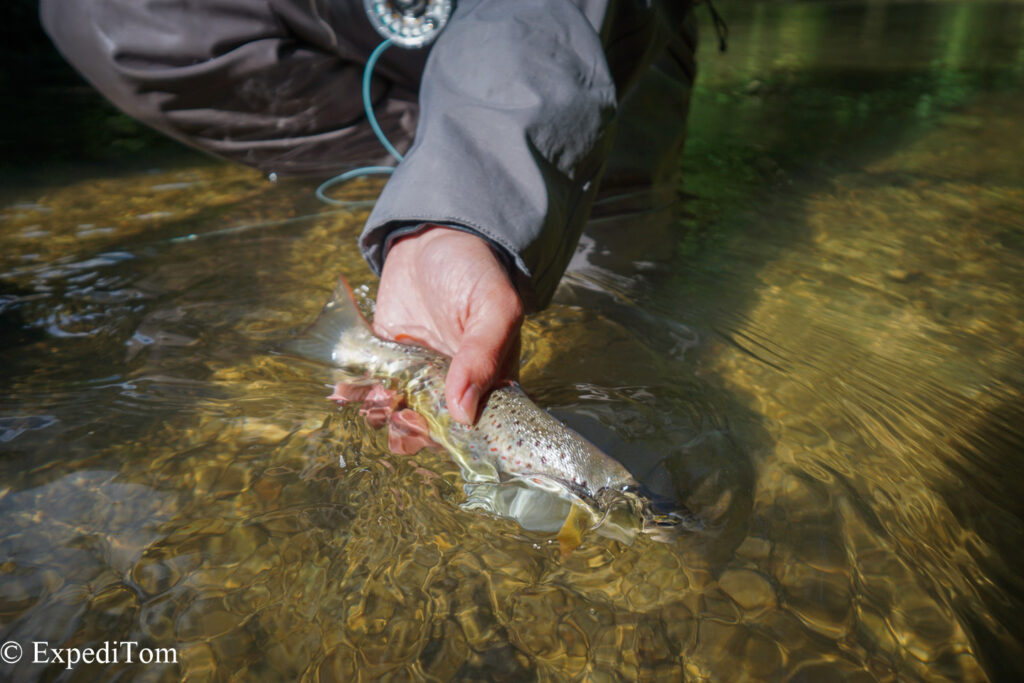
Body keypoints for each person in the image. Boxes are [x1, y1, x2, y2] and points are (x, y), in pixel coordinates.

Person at [41, 0, 698, 444]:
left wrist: (466, 211)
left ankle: (461, 162)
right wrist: (433, 198)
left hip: (598, 45)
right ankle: (428, 151)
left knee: (600, 314)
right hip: (374, 37)